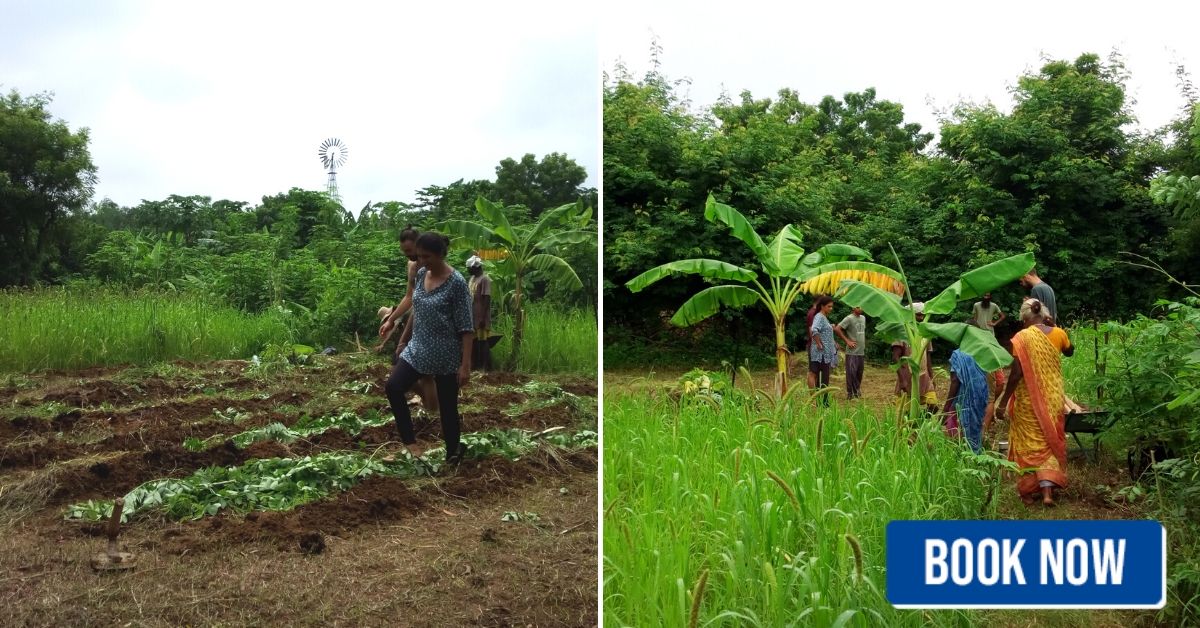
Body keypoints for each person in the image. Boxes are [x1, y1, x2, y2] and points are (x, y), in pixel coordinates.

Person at [385, 232, 474, 466]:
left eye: (427, 257)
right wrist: (402, 337)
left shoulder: (457, 283)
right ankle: (411, 444)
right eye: (420, 256)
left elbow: (466, 328)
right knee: (393, 387)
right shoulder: (422, 273)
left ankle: (453, 453)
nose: (421, 261)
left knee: (448, 409)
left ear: (441, 254)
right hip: (418, 349)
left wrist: (465, 365)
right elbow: (417, 309)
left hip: (445, 355)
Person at [994, 298, 1067, 507]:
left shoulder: (1021, 337)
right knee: (1048, 441)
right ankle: (1047, 492)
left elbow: (1017, 373)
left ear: (1024, 316)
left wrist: (1003, 401)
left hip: (1028, 401)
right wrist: (1055, 327)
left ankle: (1028, 491)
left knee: (1030, 444)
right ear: (1042, 313)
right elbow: (1070, 351)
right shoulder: (1059, 333)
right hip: (1053, 398)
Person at [809, 296, 854, 405]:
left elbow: (825, 333)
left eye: (832, 307)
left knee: (823, 378)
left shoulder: (824, 317)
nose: (831, 309)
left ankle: (822, 401)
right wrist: (819, 344)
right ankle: (821, 401)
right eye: (829, 307)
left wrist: (834, 343)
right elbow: (814, 330)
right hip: (820, 354)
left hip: (826, 353)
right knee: (820, 376)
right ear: (822, 306)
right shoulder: (819, 317)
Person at [893, 302, 937, 411]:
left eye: (923, 315)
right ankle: (912, 426)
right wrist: (902, 379)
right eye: (918, 315)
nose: (921, 318)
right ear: (910, 315)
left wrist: (932, 376)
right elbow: (895, 357)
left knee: (933, 405)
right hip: (907, 376)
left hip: (924, 376)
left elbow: (928, 356)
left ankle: (921, 422)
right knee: (907, 411)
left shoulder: (925, 332)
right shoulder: (902, 332)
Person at [946, 349, 990, 453]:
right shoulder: (981, 351)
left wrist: (946, 408)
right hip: (980, 396)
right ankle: (976, 459)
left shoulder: (958, 354)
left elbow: (955, 381)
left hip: (964, 400)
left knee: (963, 435)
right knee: (975, 431)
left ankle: (967, 460)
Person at [466, 255, 493, 371]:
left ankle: (486, 367)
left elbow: (487, 298)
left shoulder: (484, 279)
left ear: (475, 267)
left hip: (481, 316)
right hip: (472, 315)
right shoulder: (472, 279)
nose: (468, 270)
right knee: (474, 341)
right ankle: (475, 365)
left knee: (483, 342)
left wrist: (482, 317)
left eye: (469, 268)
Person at [838, 306, 866, 399]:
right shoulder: (849, 318)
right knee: (851, 373)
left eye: (862, 307)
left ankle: (857, 390)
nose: (861, 308)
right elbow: (837, 328)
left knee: (859, 372)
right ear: (853, 308)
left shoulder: (863, 318)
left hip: (861, 351)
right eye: (858, 307)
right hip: (852, 351)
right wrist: (847, 341)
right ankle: (850, 393)